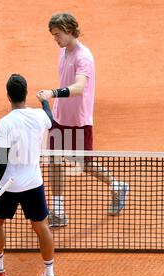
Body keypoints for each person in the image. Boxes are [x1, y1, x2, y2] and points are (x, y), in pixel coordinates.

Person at [38, 12, 129, 227]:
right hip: (60, 117)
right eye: (53, 36)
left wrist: (52, 93)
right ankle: (58, 211)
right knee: (54, 160)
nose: (56, 39)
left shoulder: (83, 57)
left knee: (83, 164)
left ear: (69, 30)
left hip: (79, 120)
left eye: (58, 35)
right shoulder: (63, 51)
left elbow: (79, 88)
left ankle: (117, 185)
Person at [0, 74, 58, 276]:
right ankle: (50, 275)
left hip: (9, 186)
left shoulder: (5, 123)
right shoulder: (39, 116)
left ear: (8, 96)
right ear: (25, 94)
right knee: (41, 226)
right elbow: (50, 119)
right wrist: (44, 100)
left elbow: (2, 161)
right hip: (34, 183)